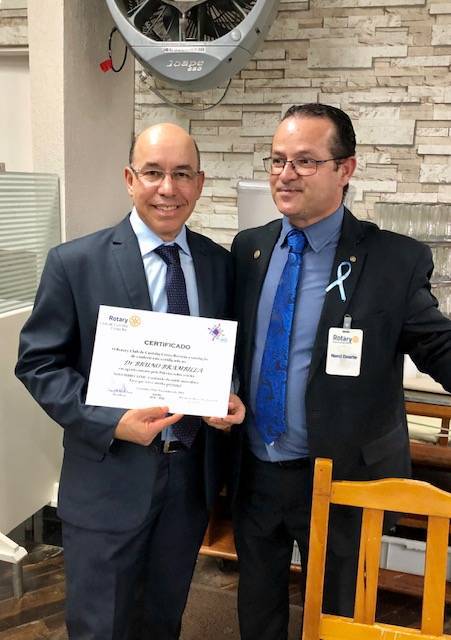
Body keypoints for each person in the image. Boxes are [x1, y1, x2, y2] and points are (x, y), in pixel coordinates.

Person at [15, 123, 245, 640]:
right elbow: (38, 364)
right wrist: (112, 421)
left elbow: (229, 353)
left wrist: (230, 397)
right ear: (129, 178)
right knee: (101, 627)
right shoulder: (74, 263)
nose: (168, 188)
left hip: (189, 482)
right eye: (153, 173)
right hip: (108, 478)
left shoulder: (219, 264)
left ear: (200, 183)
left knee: (163, 621)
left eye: (182, 174)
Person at [230, 103, 451, 640]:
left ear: (344, 169)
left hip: (343, 477)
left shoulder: (393, 261)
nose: (286, 174)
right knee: (256, 612)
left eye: (305, 161)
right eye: (278, 159)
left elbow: (438, 346)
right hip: (256, 471)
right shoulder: (249, 249)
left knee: (337, 616)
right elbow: (234, 346)